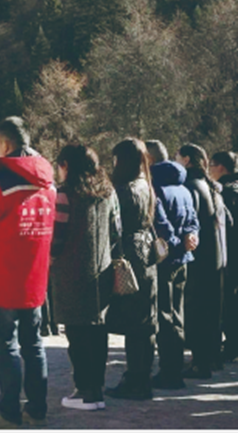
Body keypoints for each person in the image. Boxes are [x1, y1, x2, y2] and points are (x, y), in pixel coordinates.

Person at [0, 117, 55, 429]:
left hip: (3, 274)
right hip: (35, 274)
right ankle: (38, 409)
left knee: (6, 345)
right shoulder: (47, 181)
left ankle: (9, 412)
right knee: (34, 343)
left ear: (4, 144)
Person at [50, 144, 121, 411]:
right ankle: (96, 389)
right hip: (102, 271)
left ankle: (84, 391)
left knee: (77, 333)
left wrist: (50, 259)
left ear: (66, 166)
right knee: (98, 331)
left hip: (71, 272)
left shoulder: (65, 194)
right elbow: (116, 231)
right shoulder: (108, 192)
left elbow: (57, 236)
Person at [104, 139, 171, 401]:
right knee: (146, 323)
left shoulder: (123, 190)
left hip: (131, 255)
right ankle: (141, 378)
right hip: (147, 256)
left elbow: (115, 228)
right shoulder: (146, 185)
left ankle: (135, 380)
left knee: (135, 324)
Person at [145, 140, 200, 390]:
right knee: (178, 314)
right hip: (183, 259)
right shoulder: (183, 187)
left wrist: (177, 244)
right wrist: (190, 238)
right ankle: (174, 367)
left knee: (164, 317)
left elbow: (161, 225)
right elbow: (193, 221)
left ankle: (169, 372)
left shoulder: (155, 187)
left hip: (166, 259)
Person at [177, 144, 229, 378]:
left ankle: (200, 363)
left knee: (196, 312)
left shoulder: (190, 186)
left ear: (187, 160)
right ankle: (211, 358)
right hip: (217, 257)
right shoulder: (211, 187)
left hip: (198, 259)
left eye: (178, 157)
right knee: (211, 312)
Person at [210, 151, 238, 362]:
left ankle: (231, 346)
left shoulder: (224, 193)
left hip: (230, 254)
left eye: (211, 165)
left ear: (221, 167)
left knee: (228, 302)